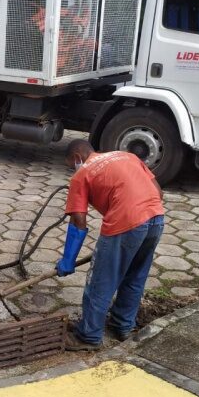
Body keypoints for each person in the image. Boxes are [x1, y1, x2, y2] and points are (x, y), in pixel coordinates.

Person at [55, 140, 165, 350]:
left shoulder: (82, 173)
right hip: (156, 219)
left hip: (125, 222)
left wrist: (67, 261)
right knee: (134, 276)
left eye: (71, 164)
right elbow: (158, 192)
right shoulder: (128, 157)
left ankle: (88, 336)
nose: (73, 168)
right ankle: (123, 326)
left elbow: (78, 221)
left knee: (100, 281)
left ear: (77, 157)